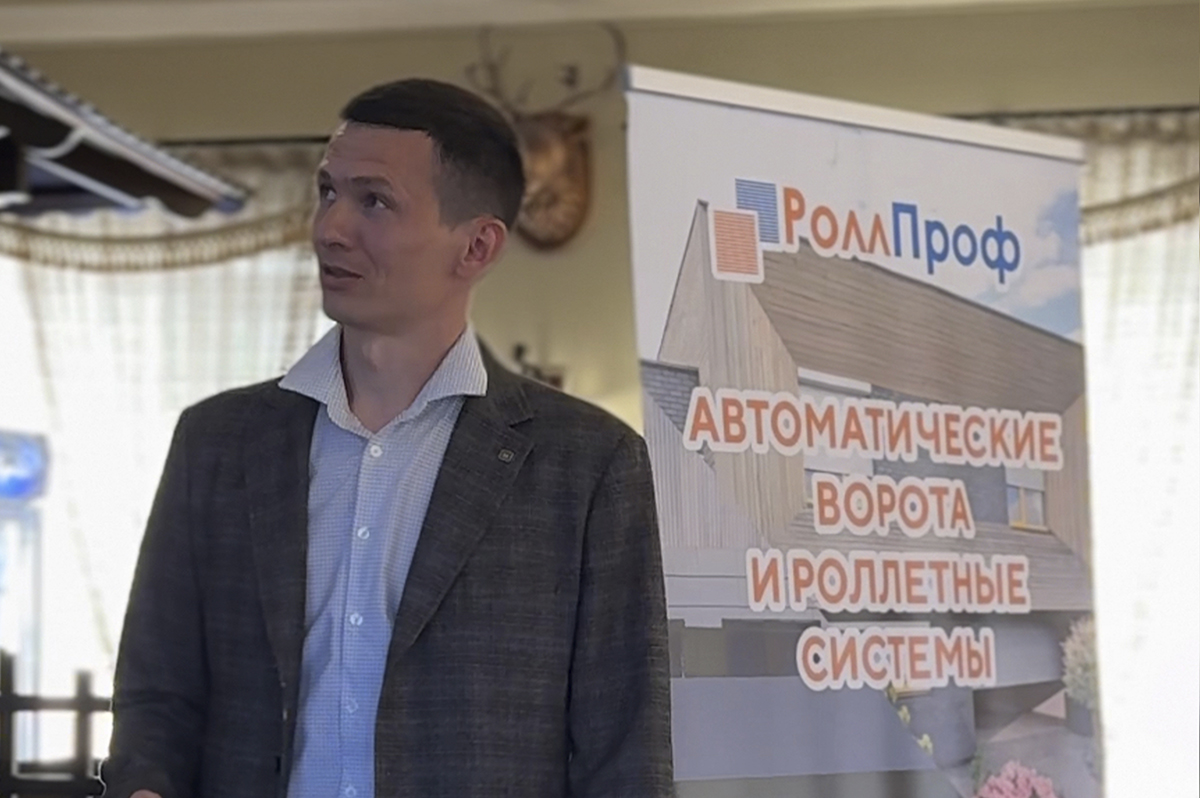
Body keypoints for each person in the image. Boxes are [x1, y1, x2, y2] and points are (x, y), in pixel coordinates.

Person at [101, 78, 673, 798]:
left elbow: (626, 747)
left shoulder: (587, 466)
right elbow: (157, 695)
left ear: (477, 247)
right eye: (327, 192)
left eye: (374, 201)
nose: (330, 228)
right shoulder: (217, 444)